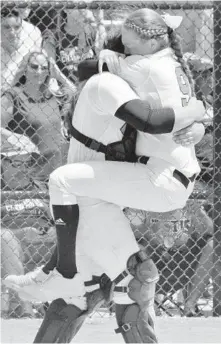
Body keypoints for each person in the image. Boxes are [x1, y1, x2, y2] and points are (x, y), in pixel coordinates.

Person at [5, 9, 206, 343]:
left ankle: (61, 273)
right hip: (116, 185)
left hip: (123, 185)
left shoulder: (128, 75)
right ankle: (64, 275)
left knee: (124, 275)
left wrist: (197, 120)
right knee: (94, 287)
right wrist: (197, 115)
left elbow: (151, 120)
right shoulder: (124, 77)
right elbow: (93, 72)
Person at [1, 50, 69, 186]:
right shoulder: (14, 96)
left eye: (44, 68)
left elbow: (79, 95)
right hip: (27, 176)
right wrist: (13, 137)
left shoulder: (52, 97)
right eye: (34, 66)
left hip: (57, 172)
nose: (39, 71)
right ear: (24, 69)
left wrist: (59, 76)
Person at [42, 8, 106, 85]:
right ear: (66, 9)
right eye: (78, 5)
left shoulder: (92, 33)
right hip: (66, 88)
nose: (83, 8)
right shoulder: (53, 36)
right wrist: (72, 88)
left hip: (88, 88)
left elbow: (101, 58)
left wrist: (100, 23)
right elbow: (53, 71)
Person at [1, 7, 42, 94]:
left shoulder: (33, 33)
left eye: (17, 27)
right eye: (7, 27)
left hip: (18, 91)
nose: (12, 32)